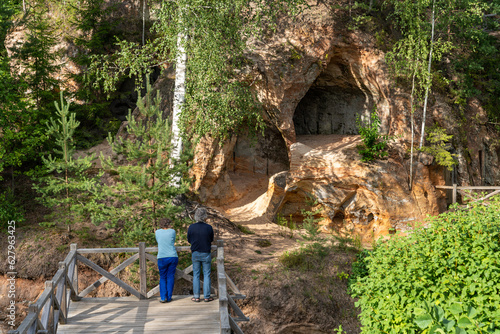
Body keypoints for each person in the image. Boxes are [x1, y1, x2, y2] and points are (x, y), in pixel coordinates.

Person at [187, 207, 214, 302]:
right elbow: (211, 239)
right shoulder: (209, 227)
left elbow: (189, 240)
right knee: (207, 275)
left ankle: (196, 296)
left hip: (195, 253)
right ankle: (207, 297)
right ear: (205, 216)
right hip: (206, 252)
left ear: (196, 216)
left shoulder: (191, 227)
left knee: (196, 275)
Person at [155, 218, 178, 303]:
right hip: (172, 256)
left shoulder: (157, 232)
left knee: (162, 277)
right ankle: (169, 297)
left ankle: (163, 297)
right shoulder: (172, 231)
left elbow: (158, 241)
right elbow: (173, 241)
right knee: (170, 276)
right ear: (169, 224)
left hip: (162, 257)